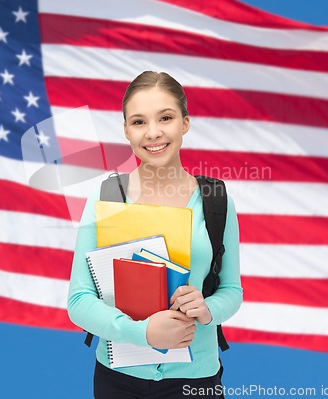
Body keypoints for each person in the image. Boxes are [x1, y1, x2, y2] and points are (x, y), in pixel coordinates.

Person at [67, 71, 243, 398]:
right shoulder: (105, 198)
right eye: (138, 122)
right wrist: (141, 332)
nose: (153, 133)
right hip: (117, 379)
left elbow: (232, 290)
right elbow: (78, 301)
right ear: (125, 130)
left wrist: (207, 308)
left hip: (196, 379)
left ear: (185, 123)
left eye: (165, 118)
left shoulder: (216, 201)